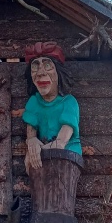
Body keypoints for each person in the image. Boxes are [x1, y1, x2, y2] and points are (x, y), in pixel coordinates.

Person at [22, 42, 81, 172]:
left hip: (67, 157)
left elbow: (60, 143)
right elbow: (31, 136)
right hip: (45, 159)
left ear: (58, 72)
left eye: (47, 65)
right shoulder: (34, 102)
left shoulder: (69, 102)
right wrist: (31, 143)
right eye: (35, 67)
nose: (40, 73)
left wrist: (36, 151)